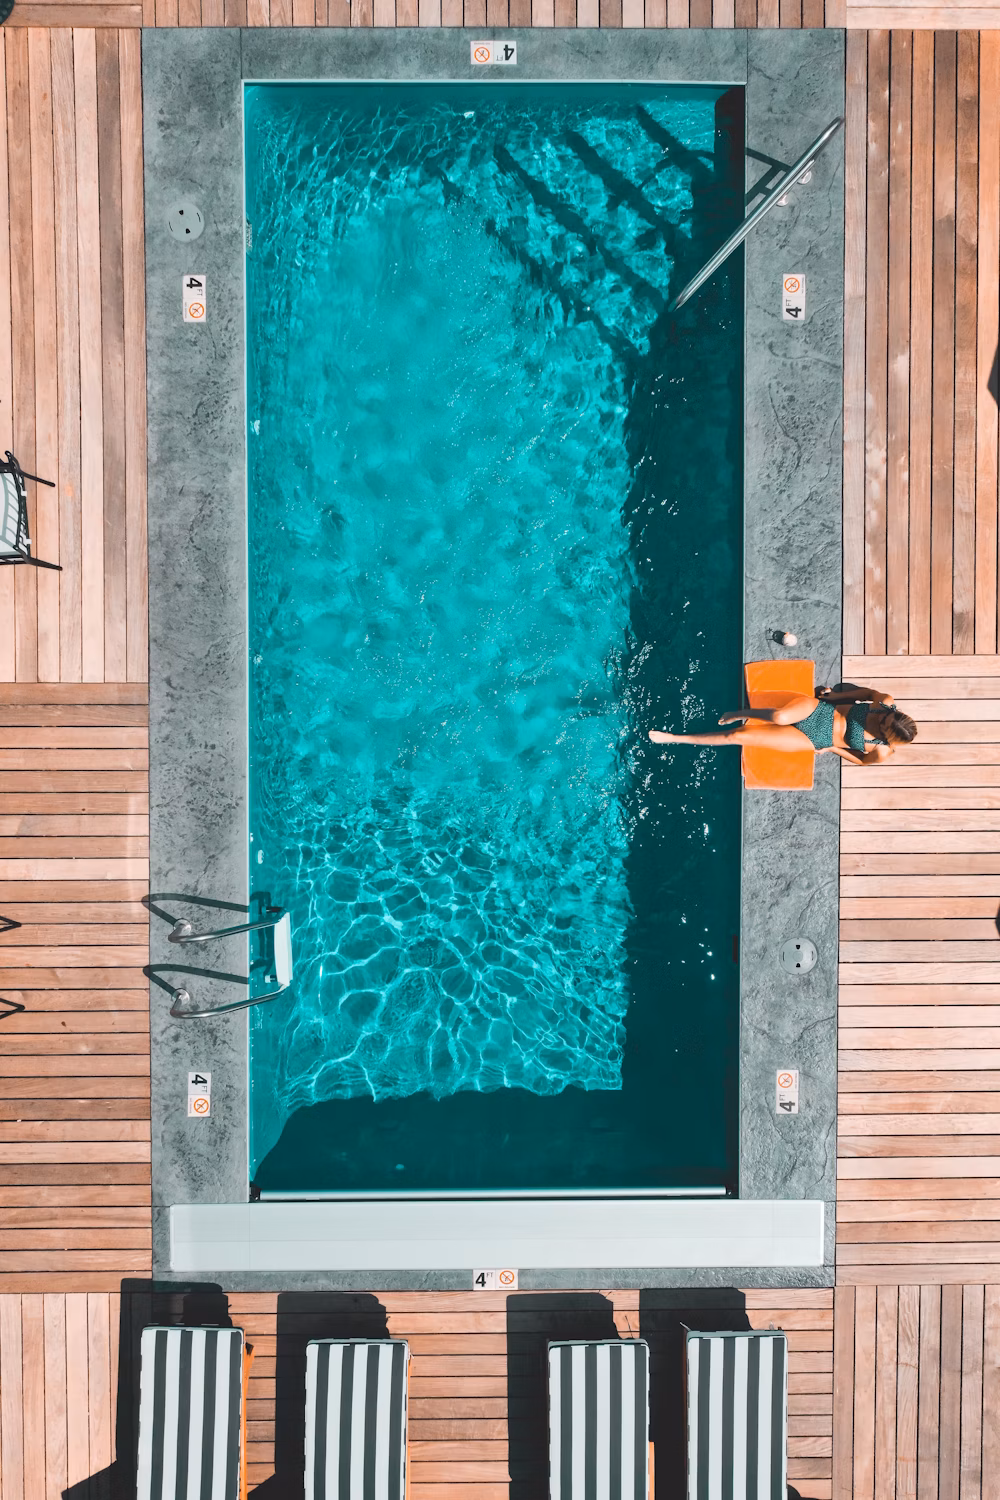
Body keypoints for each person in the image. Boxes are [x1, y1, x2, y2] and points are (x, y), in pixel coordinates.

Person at [648, 682, 917, 765]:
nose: (881, 716)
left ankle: (674, 738)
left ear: (887, 736)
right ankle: (740, 710)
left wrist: (831, 750)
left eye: (884, 724)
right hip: (819, 712)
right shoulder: (884, 702)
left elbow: (859, 761)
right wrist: (834, 697)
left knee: (739, 736)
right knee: (778, 717)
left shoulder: (881, 751)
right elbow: (866, 694)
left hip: (815, 741)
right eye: (886, 715)